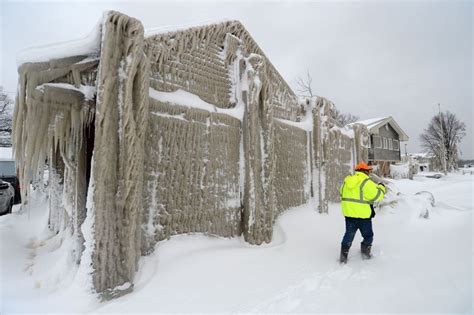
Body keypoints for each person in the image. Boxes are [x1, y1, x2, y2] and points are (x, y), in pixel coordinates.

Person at [339, 162, 386, 263]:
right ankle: (365, 255)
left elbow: (341, 194)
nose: (369, 173)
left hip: (349, 215)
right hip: (363, 216)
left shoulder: (346, 181)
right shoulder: (366, 182)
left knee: (348, 235)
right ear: (364, 171)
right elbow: (377, 196)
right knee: (368, 235)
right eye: (368, 171)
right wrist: (381, 187)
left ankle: (343, 258)